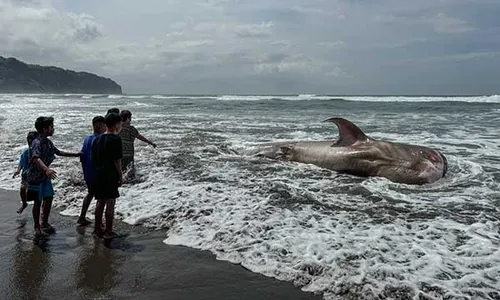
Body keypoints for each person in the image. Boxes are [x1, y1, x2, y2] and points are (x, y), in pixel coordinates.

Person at [26, 116, 81, 236]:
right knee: (37, 201)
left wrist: (77, 154)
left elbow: (58, 152)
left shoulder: (48, 142)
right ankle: (37, 226)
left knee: (49, 198)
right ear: (45, 129)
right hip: (35, 177)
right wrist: (46, 169)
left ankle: (44, 222)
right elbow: (35, 158)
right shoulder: (37, 142)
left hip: (45, 177)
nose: (53, 129)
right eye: (51, 127)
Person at [91, 112, 123, 238]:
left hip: (98, 173)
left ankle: (97, 229)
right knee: (110, 202)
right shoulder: (116, 139)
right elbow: (117, 160)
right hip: (110, 175)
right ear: (116, 125)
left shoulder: (97, 138)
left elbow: (93, 157)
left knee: (100, 202)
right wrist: (120, 175)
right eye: (120, 124)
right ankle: (109, 231)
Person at [77, 116, 106, 226]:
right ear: (100, 126)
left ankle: (82, 217)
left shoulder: (87, 139)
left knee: (90, 194)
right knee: (101, 198)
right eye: (104, 126)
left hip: (88, 173)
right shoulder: (101, 139)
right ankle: (99, 224)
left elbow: (82, 157)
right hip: (98, 174)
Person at [12, 131, 38, 214]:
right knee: (22, 189)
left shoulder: (39, 151)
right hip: (26, 174)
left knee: (36, 194)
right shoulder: (26, 151)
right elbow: (21, 162)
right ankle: (24, 204)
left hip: (36, 175)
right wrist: (18, 170)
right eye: (29, 141)